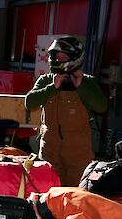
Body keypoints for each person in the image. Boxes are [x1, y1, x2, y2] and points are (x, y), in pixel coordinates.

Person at [25, 36, 107, 186]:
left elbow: (101, 107)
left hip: (77, 155)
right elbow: (30, 103)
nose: (57, 59)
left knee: (76, 197)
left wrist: (81, 86)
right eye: (56, 55)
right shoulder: (45, 80)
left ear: (75, 58)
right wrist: (52, 88)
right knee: (47, 196)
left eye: (62, 56)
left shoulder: (87, 81)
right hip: (49, 152)